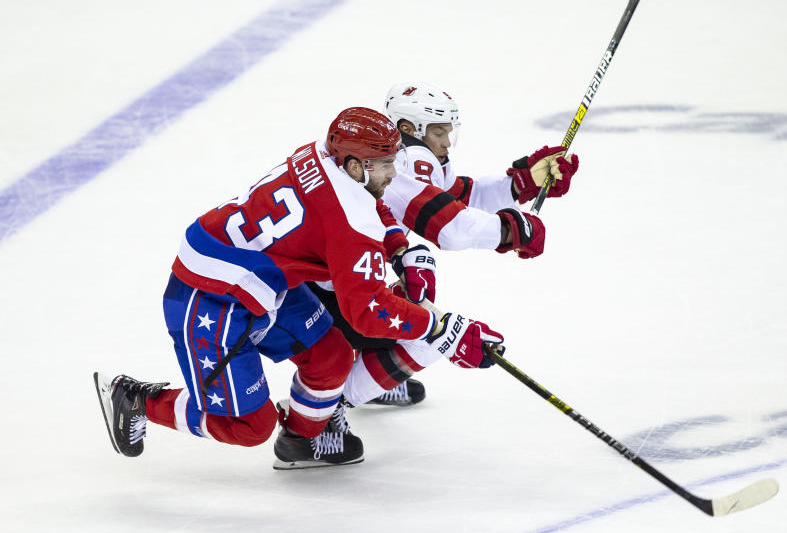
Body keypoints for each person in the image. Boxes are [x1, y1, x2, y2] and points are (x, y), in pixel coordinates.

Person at [94, 107, 503, 470]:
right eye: (383, 164)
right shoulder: (348, 222)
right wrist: (442, 329)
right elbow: (367, 312)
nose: (393, 173)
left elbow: (371, 203)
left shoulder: (322, 154)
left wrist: (398, 248)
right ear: (355, 166)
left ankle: (304, 441)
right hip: (211, 294)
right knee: (250, 427)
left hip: (257, 275)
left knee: (331, 355)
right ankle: (138, 401)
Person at [311, 84, 579, 408]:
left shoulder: (388, 161)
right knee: (432, 335)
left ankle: (368, 378)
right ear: (408, 129)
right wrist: (510, 230)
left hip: (331, 279)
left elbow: (456, 198)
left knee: (416, 286)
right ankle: (323, 412)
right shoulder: (402, 164)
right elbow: (451, 226)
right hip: (322, 291)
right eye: (439, 132)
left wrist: (520, 184)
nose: (446, 142)